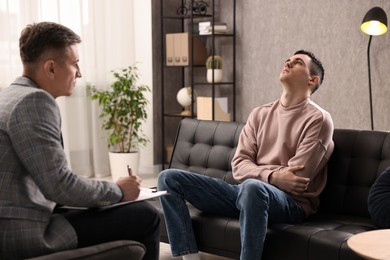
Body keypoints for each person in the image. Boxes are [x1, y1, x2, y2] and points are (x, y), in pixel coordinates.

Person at [0, 22, 160, 260]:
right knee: (146, 215)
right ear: (51, 68)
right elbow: (59, 186)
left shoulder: (9, 95)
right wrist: (117, 190)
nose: (80, 73)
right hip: (23, 233)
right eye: (75, 63)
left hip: (17, 221)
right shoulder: (34, 102)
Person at [158, 50, 334, 260]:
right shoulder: (259, 113)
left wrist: (258, 175)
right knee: (168, 178)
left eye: (297, 63)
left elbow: (296, 178)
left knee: (252, 187)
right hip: (245, 194)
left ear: (312, 80)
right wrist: (274, 176)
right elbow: (239, 165)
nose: (287, 63)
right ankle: (189, 256)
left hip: (290, 204)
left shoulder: (319, 119)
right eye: (287, 60)